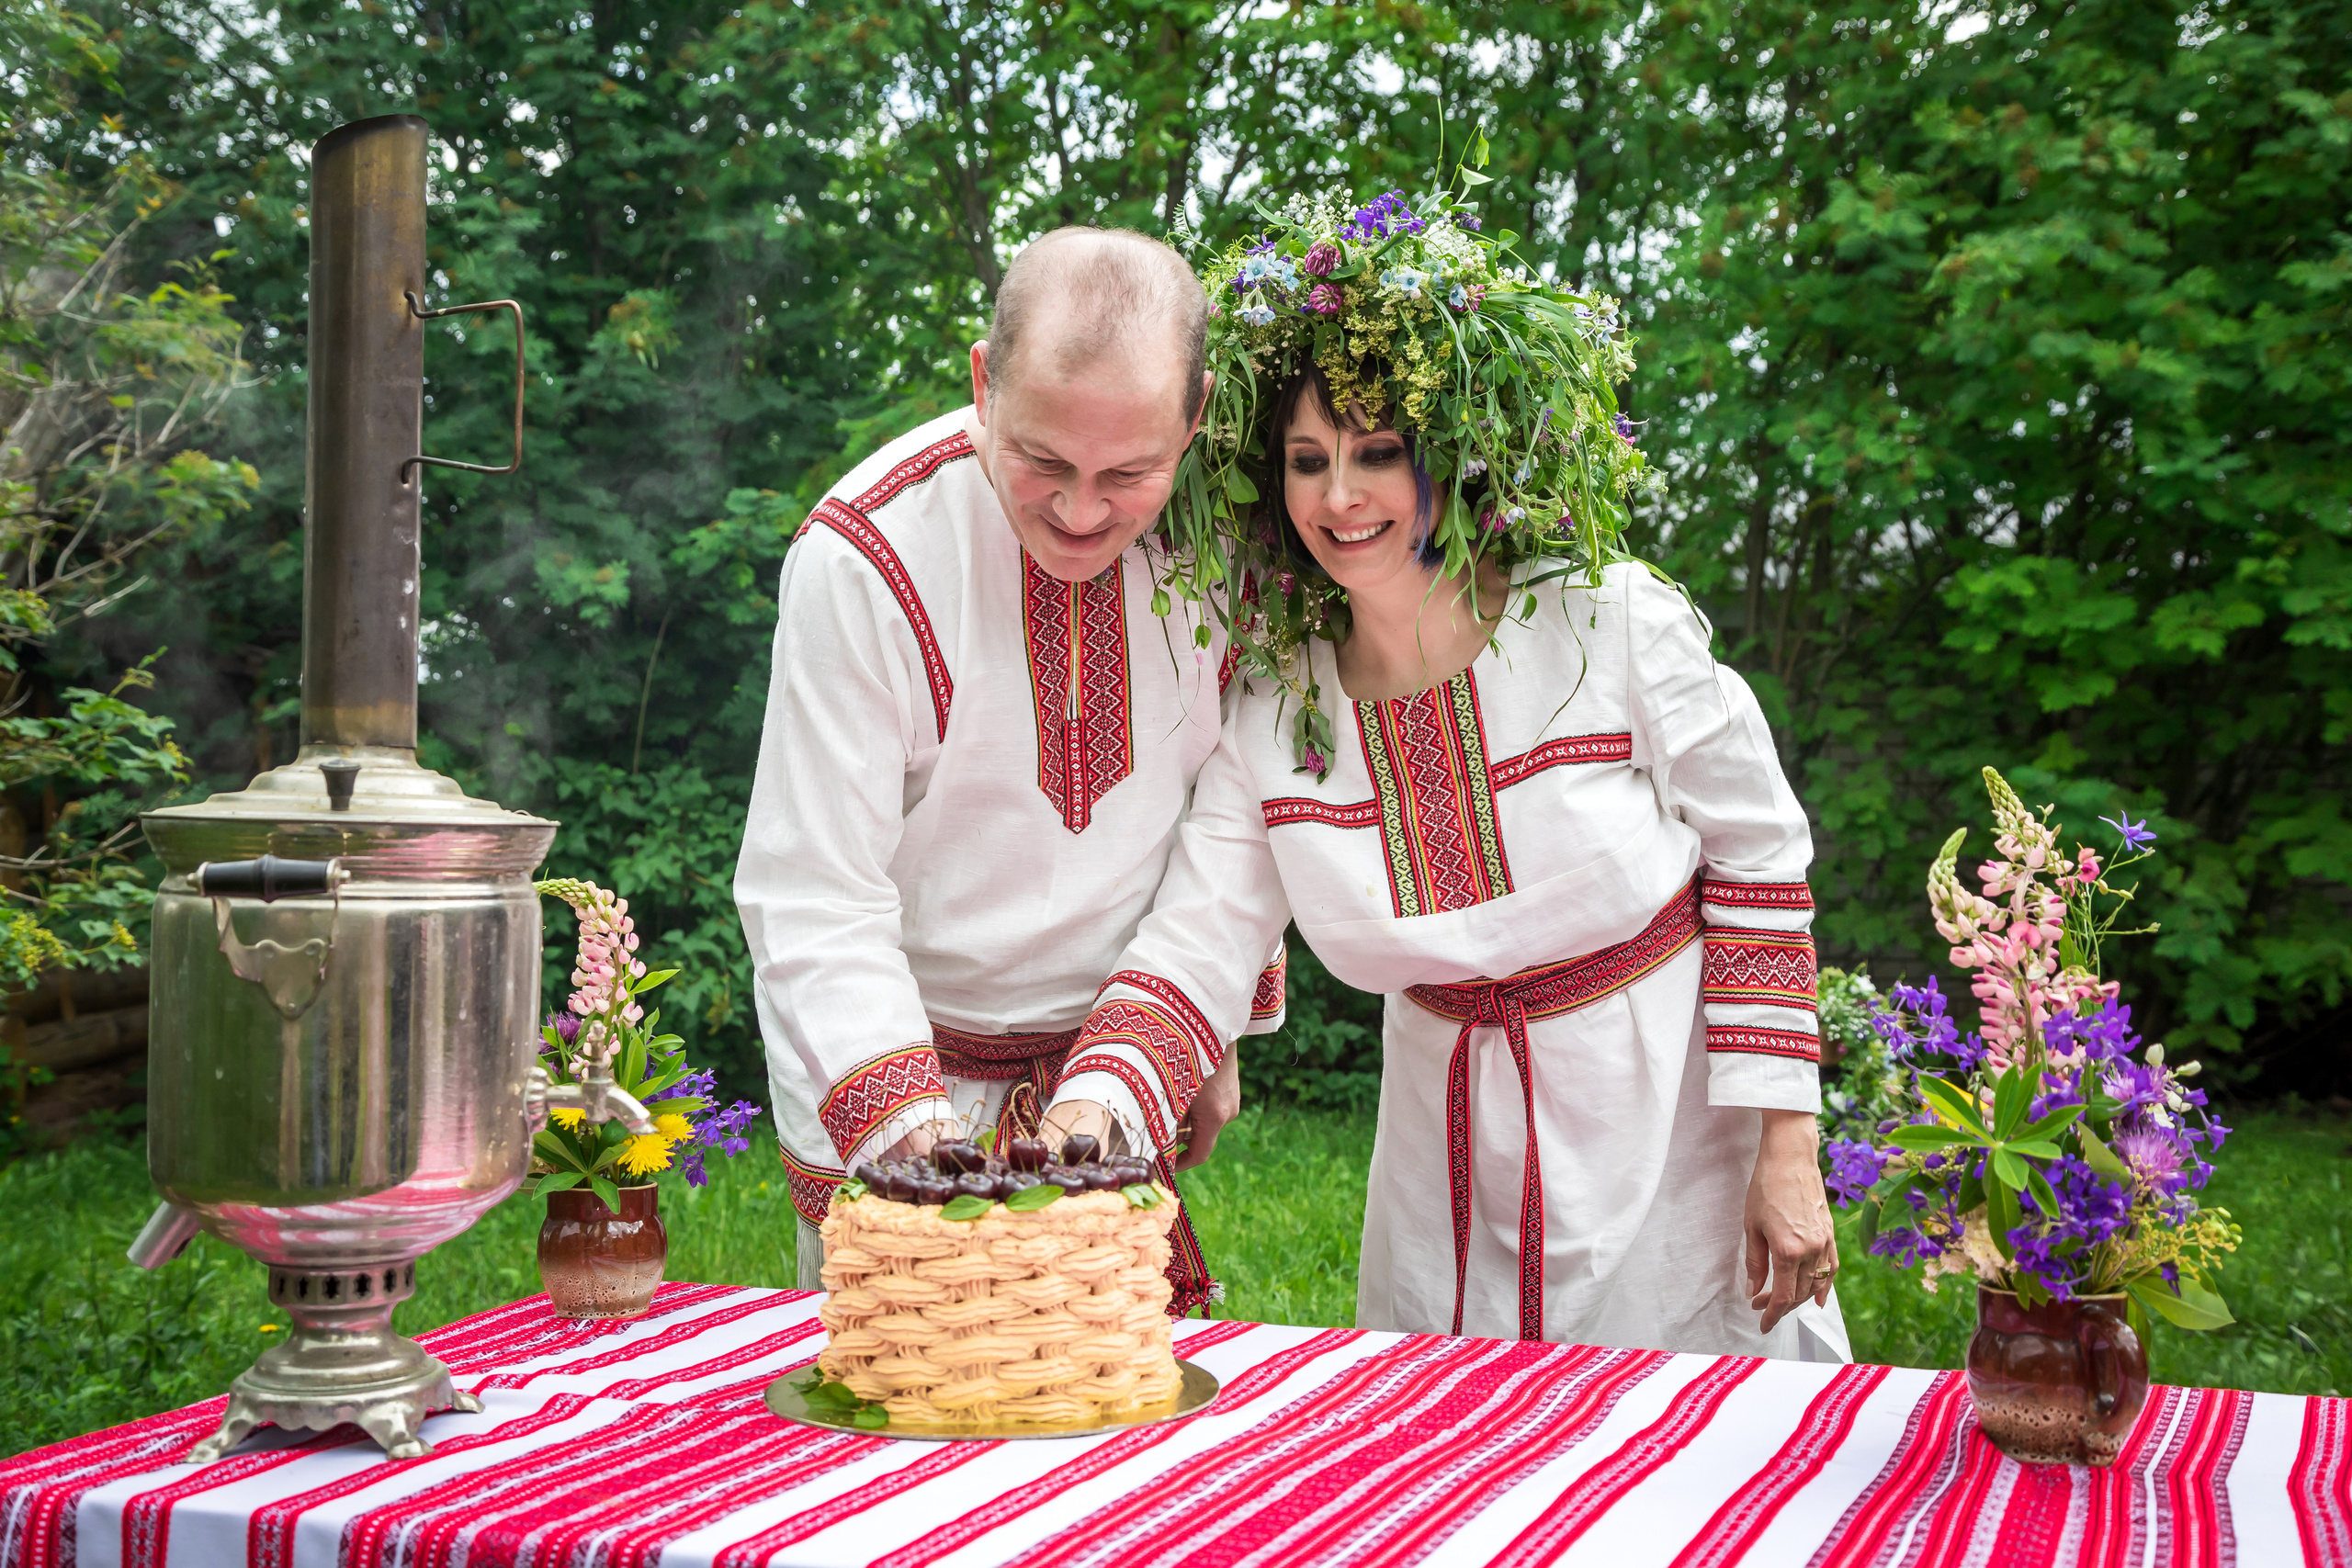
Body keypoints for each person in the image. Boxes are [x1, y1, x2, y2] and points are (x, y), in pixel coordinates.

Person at [1046, 186, 1849, 1358]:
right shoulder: (1275, 706)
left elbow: (1758, 856)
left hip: (1663, 1140)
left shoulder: (1606, 624)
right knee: (1457, 1470)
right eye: (1307, 460)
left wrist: (1785, 1143)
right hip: (1439, 1158)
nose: (1338, 496)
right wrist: (1093, 1113)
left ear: (1454, 452)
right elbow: (1195, 942)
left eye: (1377, 453)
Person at [735, 228, 1283, 1312]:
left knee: (1106, 1420)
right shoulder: (865, 554)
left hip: (1113, 1058)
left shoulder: (1238, 551)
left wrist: (1176, 1046)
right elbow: (814, 889)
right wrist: (918, 1146)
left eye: (1130, 472)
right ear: (985, 383)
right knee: (897, 1401)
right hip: (884, 1053)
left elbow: (1239, 836)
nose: (1082, 513)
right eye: (1041, 460)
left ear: (1197, 414)